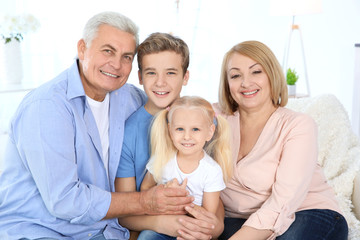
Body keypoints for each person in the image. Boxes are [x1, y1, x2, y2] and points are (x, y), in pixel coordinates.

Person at [0, 12, 194, 240]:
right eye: (108, 51)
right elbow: (65, 201)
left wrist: (210, 111)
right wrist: (146, 201)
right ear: (82, 48)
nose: (117, 65)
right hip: (41, 231)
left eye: (127, 57)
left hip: (107, 230)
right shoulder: (47, 107)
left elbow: (169, 103)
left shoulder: (130, 98)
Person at [214, 40, 348, 240]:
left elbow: (283, 203)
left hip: (305, 214)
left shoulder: (298, 125)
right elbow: (176, 116)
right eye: (235, 75)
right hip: (240, 220)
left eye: (256, 72)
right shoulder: (215, 118)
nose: (246, 82)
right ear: (227, 84)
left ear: (272, 74)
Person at [115, 32, 225, 240]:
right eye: (151, 73)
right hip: (153, 227)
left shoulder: (206, 123)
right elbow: (124, 213)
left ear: (186, 77)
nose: (160, 83)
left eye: (171, 73)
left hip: (198, 227)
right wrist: (161, 223)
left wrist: (216, 225)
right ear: (139, 77)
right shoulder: (128, 132)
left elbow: (215, 193)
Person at [138, 95, 233, 240]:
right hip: (163, 227)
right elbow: (145, 190)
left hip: (192, 230)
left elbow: (208, 215)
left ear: (209, 132)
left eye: (195, 129)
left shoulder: (212, 171)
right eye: (180, 129)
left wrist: (181, 199)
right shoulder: (162, 160)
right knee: (146, 236)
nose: (187, 136)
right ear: (170, 130)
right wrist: (164, 191)